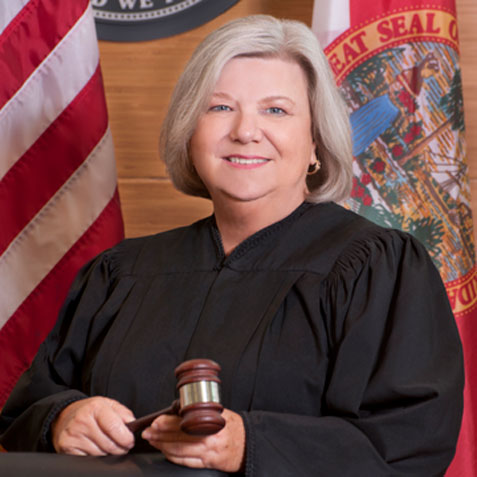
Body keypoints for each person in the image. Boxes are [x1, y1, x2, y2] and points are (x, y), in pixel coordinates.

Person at [0, 14, 463, 476]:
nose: (245, 131)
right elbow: (27, 408)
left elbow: (408, 445)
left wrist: (250, 444)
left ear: (316, 141)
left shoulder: (377, 269)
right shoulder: (120, 272)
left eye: (276, 110)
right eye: (220, 108)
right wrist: (61, 419)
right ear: (190, 131)